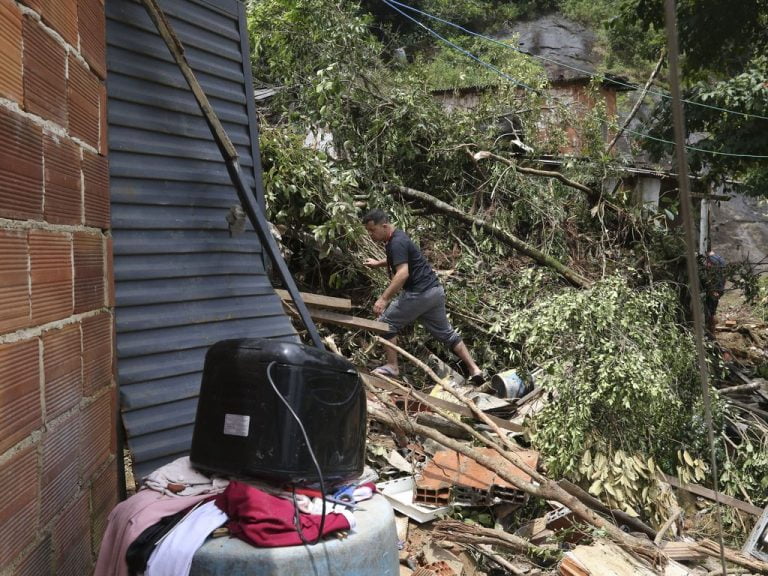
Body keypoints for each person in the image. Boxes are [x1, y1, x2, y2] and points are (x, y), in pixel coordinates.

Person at [362, 209, 485, 384]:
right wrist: (378, 263)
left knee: (385, 323)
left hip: (419, 294)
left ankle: (392, 366)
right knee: (447, 334)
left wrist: (383, 299)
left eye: (372, 230)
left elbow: (402, 273)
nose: (371, 234)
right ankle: (474, 369)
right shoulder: (397, 238)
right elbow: (400, 259)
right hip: (434, 292)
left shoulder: (396, 242)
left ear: (384, 226)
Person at [702, 250, 726, 335]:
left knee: (710, 311)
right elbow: (723, 276)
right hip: (719, 289)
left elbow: (712, 275)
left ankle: (711, 333)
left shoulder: (710, 261)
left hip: (713, 289)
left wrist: (713, 289)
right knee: (713, 310)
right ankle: (712, 332)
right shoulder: (722, 259)